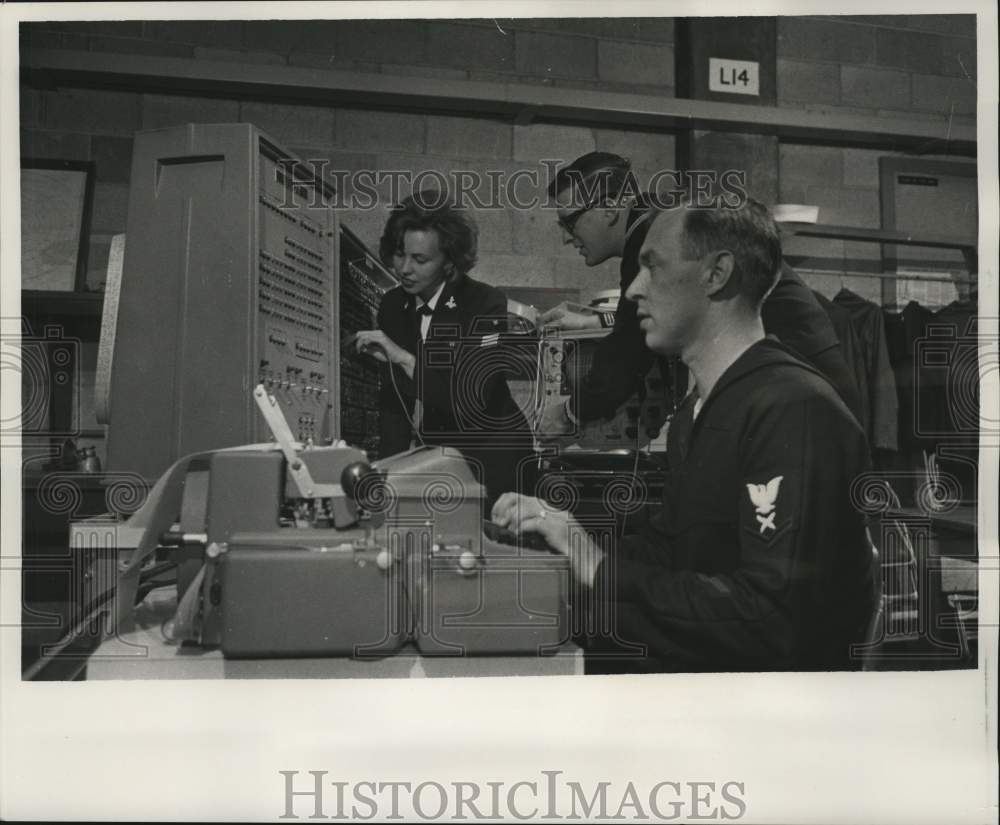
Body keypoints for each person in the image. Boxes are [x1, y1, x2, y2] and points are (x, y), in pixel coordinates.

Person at [493, 199, 878, 672]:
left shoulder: (793, 410)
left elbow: (771, 619)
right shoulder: (697, 414)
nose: (634, 289)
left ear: (716, 274)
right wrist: (555, 547)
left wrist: (594, 564)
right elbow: (670, 553)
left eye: (652, 267)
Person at [538, 152, 864, 438]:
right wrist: (598, 321)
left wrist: (569, 414)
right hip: (800, 378)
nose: (566, 238)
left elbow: (628, 353)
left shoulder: (653, 234)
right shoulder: (657, 219)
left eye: (569, 222)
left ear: (609, 208)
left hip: (802, 388)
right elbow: (651, 319)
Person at [356, 192, 534, 504]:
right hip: (440, 454)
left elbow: (472, 397)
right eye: (399, 254)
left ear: (449, 262)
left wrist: (404, 359)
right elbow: (394, 403)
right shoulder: (393, 306)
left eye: (420, 260)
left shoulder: (485, 303)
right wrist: (384, 480)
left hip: (495, 451)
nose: (404, 269)